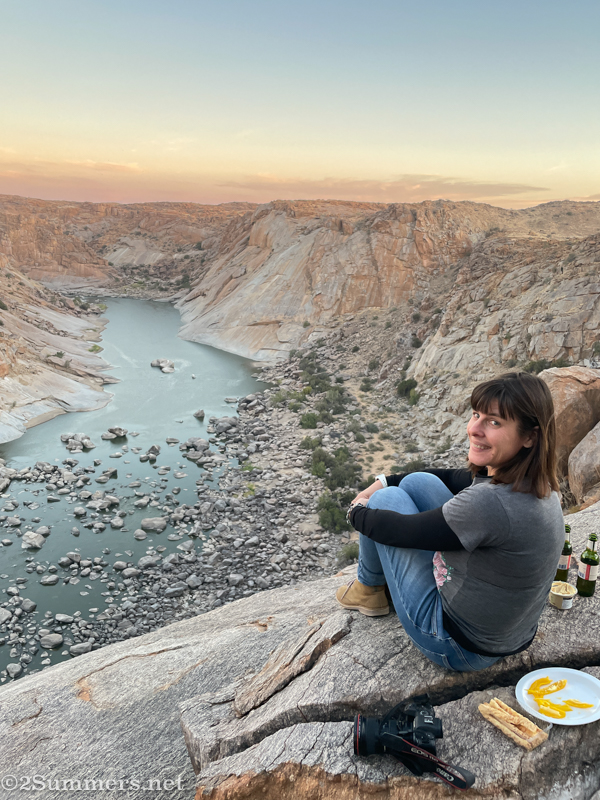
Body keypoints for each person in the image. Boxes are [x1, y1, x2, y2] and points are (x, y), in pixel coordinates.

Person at [336, 371, 564, 672]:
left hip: (457, 645)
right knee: (419, 482)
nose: (474, 429)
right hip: (510, 634)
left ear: (529, 436)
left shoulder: (490, 503)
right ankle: (372, 588)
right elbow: (451, 477)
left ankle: (369, 589)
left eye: (494, 422)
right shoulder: (537, 485)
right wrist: (384, 478)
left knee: (385, 501)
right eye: (476, 415)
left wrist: (356, 511)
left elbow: (401, 531)